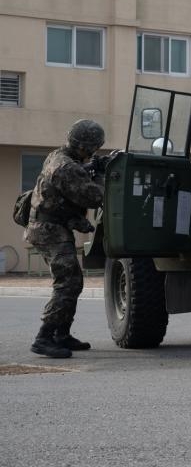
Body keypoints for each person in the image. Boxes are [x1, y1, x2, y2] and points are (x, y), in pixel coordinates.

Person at [24, 119, 106, 358]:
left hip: (50, 225)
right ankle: (44, 337)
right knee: (68, 282)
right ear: (85, 146)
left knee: (73, 281)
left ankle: (61, 334)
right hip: (48, 229)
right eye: (92, 148)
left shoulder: (58, 156)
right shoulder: (66, 167)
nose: (92, 152)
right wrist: (100, 174)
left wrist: (90, 167)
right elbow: (93, 197)